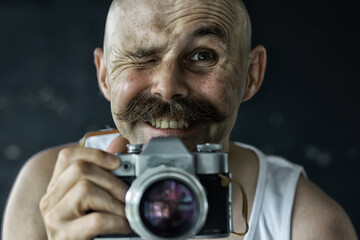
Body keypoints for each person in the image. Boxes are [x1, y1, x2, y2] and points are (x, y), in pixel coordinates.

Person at [2, 0, 358, 239]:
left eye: (203, 55)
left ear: (251, 74)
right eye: (142, 56)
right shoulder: (47, 190)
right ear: (105, 75)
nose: (168, 87)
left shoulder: (307, 225)